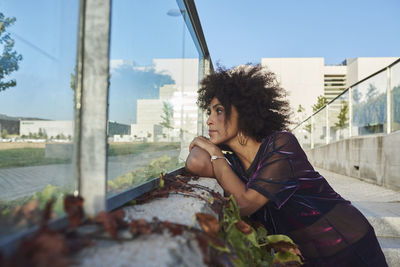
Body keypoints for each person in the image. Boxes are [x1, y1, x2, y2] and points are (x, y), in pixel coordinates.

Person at [185, 65, 387, 267]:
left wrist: (215, 152)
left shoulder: (281, 144)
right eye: (209, 111)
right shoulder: (233, 165)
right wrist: (211, 149)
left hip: (348, 244)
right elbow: (195, 162)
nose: (209, 120)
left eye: (219, 111)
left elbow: (245, 203)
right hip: (307, 257)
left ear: (245, 112)